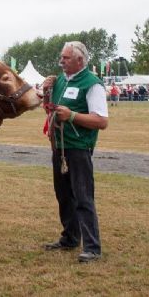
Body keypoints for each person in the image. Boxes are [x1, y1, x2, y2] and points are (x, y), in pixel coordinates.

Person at [42, 41, 108, 263]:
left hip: (79, 149)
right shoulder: (60, 80)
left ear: (80, 60)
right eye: (61, 57)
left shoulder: (92, 84)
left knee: (83, 197)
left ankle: (92, 247)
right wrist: (46, 92)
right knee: (63, 195)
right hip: (59, 146)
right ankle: (70, 238)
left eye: (66, 58)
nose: (61, 61)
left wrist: (72, 116)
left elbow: (101, 121)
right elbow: (50, 110)